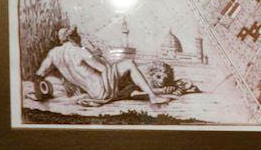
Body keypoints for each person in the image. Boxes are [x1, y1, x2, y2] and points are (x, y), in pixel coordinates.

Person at [36, 28, 169, 107]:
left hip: (92, 93)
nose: (79, 37)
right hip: (102, 89)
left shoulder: (54, 53)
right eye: (77, 35)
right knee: (129, 64)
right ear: (72, 37)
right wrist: (98, 56)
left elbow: (40, 73)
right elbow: (102, 69)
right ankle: (153, 96)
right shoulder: (80, 50)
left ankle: (141, 90)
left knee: (128, 85)